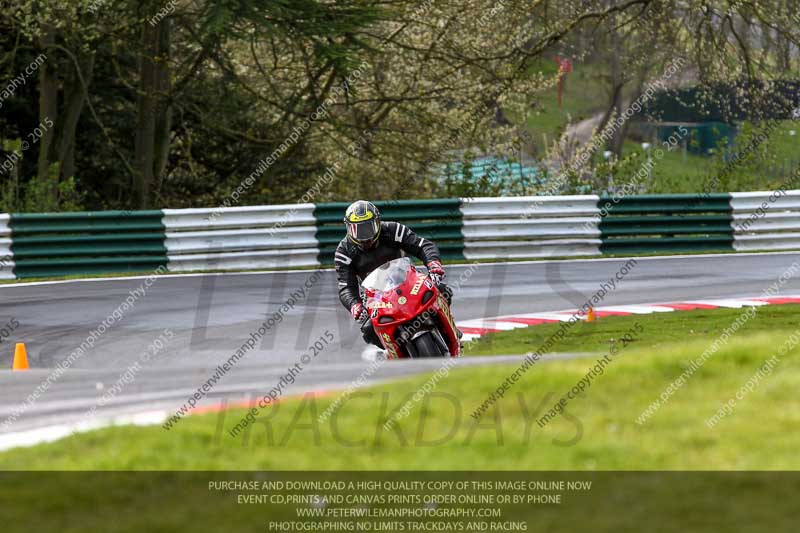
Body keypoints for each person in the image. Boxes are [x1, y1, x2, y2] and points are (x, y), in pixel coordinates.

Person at [334, 200, 454, 348]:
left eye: (368, 228)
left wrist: (433, 264)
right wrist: (355, 305)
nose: (364, 235)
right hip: (375, 296)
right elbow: (345, 286)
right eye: (357, 229)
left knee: (442, 291)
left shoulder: (393, 230)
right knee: (369, 330)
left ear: (378, 222)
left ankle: (451, 331)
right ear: (348, 228)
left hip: (408, 281)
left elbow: (422, 245)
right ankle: (395, 353)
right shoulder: (344, 251)